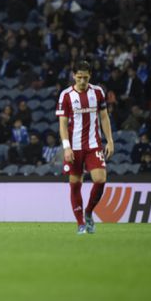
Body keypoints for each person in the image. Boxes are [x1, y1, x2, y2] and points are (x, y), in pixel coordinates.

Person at [56, 61, 114, 234]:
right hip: (74, 147)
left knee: (100, 179)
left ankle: (88, 212)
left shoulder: (97, 92)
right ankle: (81, 223)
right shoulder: (65, 95)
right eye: (79, 77)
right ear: (73, 76)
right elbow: (63, 124)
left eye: (85, 77)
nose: (82, 81)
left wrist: (110, 140)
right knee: (75, 184)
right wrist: (66, 147)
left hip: (93, 144)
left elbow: (104, 117)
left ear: (90, 76)